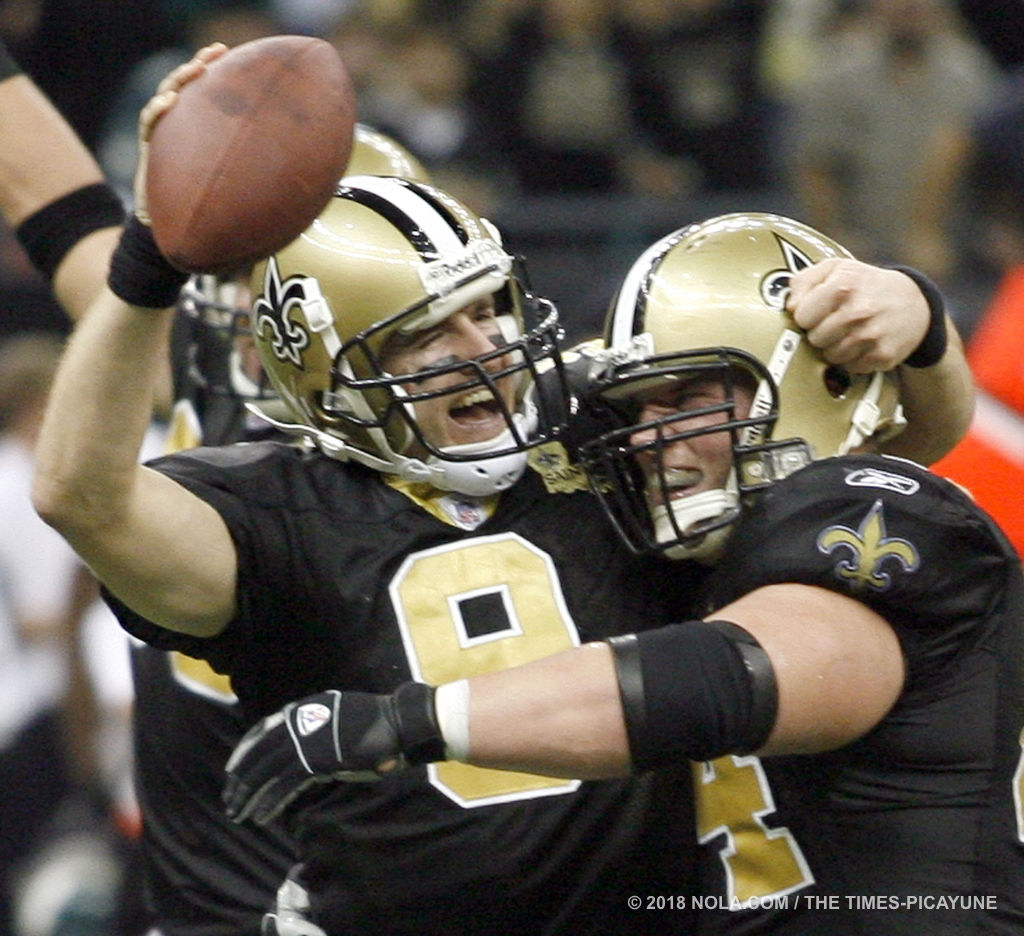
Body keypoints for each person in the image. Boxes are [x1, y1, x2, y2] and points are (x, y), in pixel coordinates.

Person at [31, 45, 976, 935]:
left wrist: (922, 327)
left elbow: (874, 440)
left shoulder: (592, 418)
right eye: (428, 334)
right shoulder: (268, 513)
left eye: (489, 307)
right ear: (332, 379)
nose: (485, 351)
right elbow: (81, 493)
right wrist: (150, 255)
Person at [224, 214, 1022, 934]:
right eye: (638, 409)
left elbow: (740, 677)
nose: (647, 437)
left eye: (685, 399)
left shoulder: (888, 507)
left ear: (819, 384)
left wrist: (406, 723)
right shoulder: (717, 556)